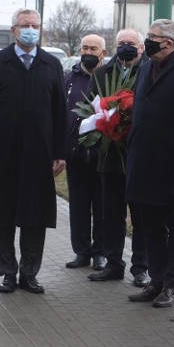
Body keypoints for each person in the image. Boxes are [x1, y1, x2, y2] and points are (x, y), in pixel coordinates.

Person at [0, 8, 67, 294]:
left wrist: (60, 152)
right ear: (13, 30)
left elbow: (60, 112)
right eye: (24, 25)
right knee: (2, 214)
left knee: (35, 216)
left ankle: (29, 271)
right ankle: (7, 271)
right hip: (3, 152)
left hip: (39, 153)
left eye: (34, 25)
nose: (30, 29)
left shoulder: (51, 64)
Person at [125, 19, 174, 308]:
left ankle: (171, 284)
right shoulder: (145, 67)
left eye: (152, 37)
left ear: (169, 43)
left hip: (171, 166)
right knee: (148, 228)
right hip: (142, 162)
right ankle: (156, 280)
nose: (147, 41)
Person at [87, 29, 150, 285]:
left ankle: (140, 268)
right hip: (110, 153)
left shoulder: (149, 73)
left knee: (140, 215)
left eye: (131, 44)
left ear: (142, 47)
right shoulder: (102, 73)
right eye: (121, 43)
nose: (125, 48)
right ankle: (114, 263)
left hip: (138, 155)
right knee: (110, 213)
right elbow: (91, 107)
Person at [63, 34, 107, 272]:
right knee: (78, 204)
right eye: (84, 47)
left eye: (94, 48)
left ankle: (100, 251)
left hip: (104, 153)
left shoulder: (109, 77)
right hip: (76, 153)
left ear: (103, 52)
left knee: (102, 205)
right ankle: (81, 251)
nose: (88, 52)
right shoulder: (69, 79)